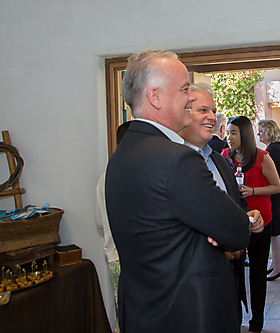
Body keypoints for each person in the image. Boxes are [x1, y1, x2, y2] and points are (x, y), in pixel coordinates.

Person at [105, 50, 251, 333]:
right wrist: (218, 232)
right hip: (188, 314)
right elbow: (237, 230)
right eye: (184, 89)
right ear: (155, 97)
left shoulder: (122, 155)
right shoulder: (177, 159)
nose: (189, 98)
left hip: (145, 312)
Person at [177, 82, 264, 327]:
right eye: (203, 111)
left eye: (213, 111)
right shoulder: (172, 163)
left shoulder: (221, 160)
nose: (212, 118)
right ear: (185, 114)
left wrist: (250, 216)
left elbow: (238, 204)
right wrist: (220, 250)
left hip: (229, 284)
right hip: (193, 289)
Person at [222, 116, 280, 333]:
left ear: (244, 134)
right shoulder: (225, 156)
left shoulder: (262, 157)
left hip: (260, 223)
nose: (229, 138)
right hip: (236, 222)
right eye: (228, 132)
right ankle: (236, 319)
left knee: (257, 274)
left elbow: (277, 187)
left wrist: (253, 191)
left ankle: (257, 322)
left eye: (234, 133)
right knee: (235, 273)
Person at [95, 120, 131, 331]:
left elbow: (99, 223)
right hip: (135, 257)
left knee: (123, 311)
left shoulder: (103, 178)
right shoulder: (136, 175)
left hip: (113, 256)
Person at [257, 119, 280, 281]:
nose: (258, 134)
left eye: (260, 130)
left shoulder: (274, 150)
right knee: (272, 233)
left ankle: (278, 267)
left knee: (274, 232)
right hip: (276, 196)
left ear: (269, 131)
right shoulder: (274, 148)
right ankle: (274, 264)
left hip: (275, 197)